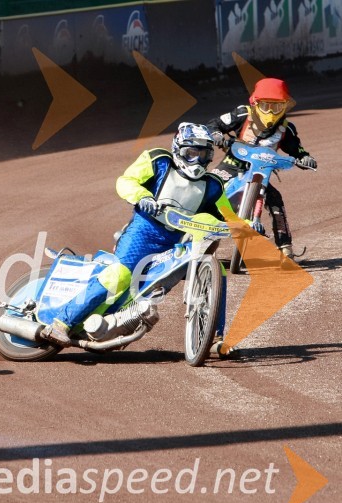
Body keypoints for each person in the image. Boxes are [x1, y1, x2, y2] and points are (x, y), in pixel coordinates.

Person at [40, 123, 255, 347]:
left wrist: (247, 226)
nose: (197, 160)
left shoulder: (213, 185)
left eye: (204, 155)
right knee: (121, 276)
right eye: (192, 153)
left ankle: (214, 339)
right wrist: (143, 197)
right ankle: (61, 323)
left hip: (175, 243)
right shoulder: (158, 160)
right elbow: (126, 181)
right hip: (141, 234)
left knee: (217, 270)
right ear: (178, 149)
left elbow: (226, 215)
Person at [206, 77, 317, 260]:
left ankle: (285, 248)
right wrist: (217, 135)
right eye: (266, 106)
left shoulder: (286, 129)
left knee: (276, 201)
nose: (271, 112)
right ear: (255, 103)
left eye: (277, 107)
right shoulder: (242, 114)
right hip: (232, 165)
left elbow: (297, 149)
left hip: (260, 172)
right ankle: (193, 238)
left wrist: (305, 158)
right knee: (209, 190)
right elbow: (214, 124)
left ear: (286, 106)